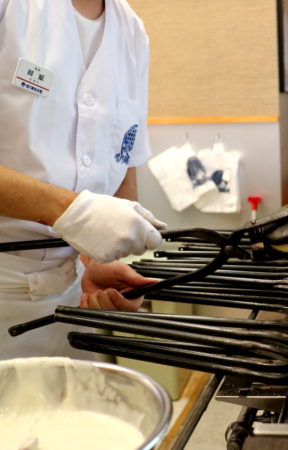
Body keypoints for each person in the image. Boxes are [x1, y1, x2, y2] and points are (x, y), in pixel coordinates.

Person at [0, 0, 165, 359]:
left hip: (69, 302)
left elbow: (124, 157)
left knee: (63, 408)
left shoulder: (131, 30)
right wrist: (72, 213)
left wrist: (96, 259)